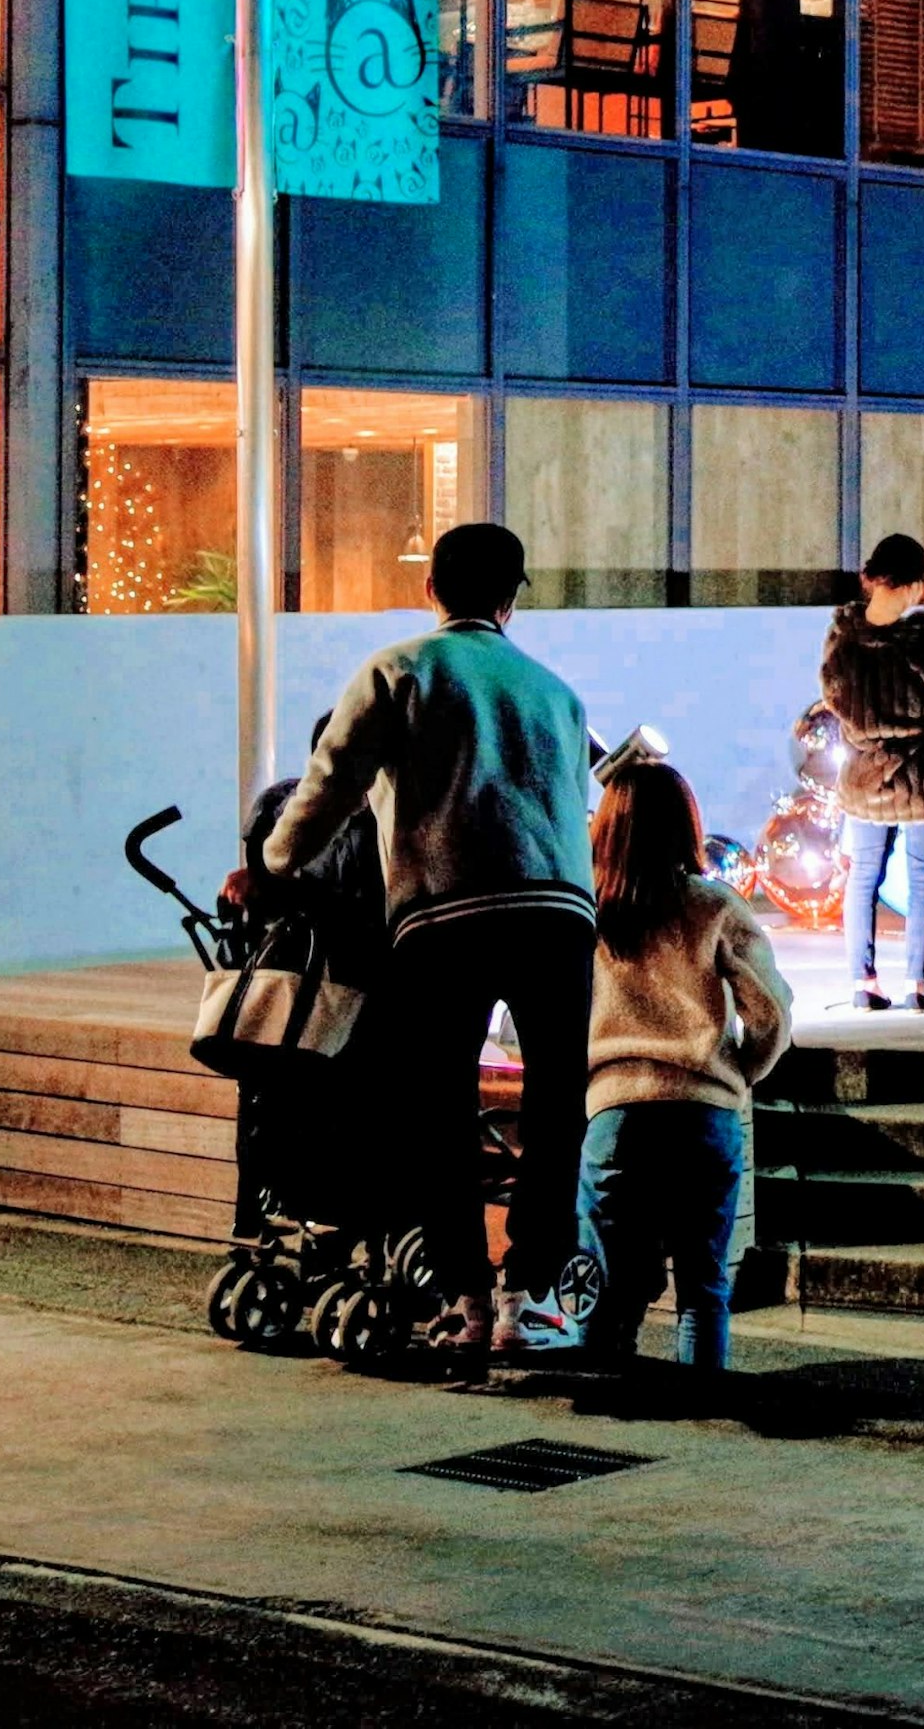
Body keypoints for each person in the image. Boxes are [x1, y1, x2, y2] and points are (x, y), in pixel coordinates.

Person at [263, 523, 596, 1355]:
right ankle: (531, 1295)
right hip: (558, 914)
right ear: (511, 598)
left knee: (438, 1105)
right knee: (557, 1106)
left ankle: (465, 1300)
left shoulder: (400, 668)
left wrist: (275, 860)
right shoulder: (556, 690)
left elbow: (330, 780)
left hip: (443, 917)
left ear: (430, 589)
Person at [576, 757, 793, 1372]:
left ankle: (605, 1392)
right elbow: (769, 1011)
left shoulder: (588, 912)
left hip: (616, 1112)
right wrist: (738, 1072)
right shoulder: (713, 906)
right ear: (685, 826)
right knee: (702, 1291)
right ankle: (702, 1402)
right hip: (702, 1114)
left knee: (608, 1288)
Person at [818, 532, 924, 1011]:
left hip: (866, 777)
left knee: (863, 876)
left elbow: (834, 697)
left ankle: (862, 983)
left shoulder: (842, 634)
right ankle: (918, 985)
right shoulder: (920, 636)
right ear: (916, 584)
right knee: (923, 875)